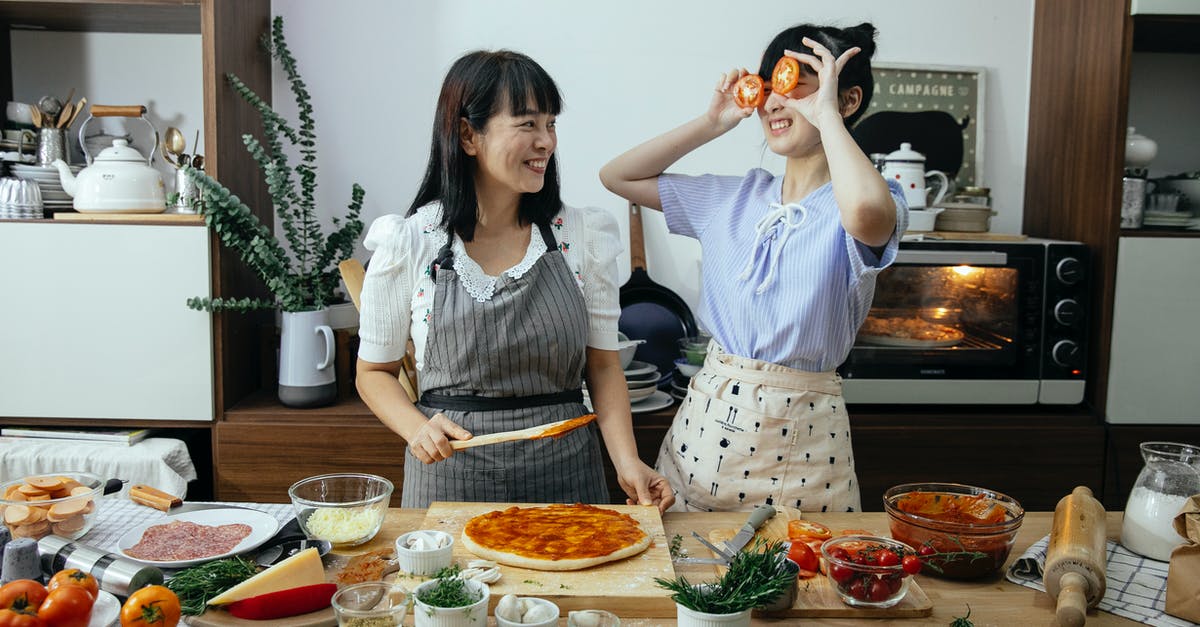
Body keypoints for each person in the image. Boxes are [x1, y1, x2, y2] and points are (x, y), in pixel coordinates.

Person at [599, 23, 907, 513]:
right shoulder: (732, 197)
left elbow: (867, 217)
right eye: (769, 85)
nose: (774, 101)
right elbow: (617, 175)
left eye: (796, 83)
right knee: (686, 577)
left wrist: (826, 116)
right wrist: (713, 122)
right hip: (703, 437)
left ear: (847, 100)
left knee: (805, 583)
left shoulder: (870, 200)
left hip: (808, 448)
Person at [356, 49, 673, 512]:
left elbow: (603, 366)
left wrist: (628, 463)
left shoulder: (583, 236)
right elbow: (373, 374)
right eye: (527, 124)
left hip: (565, 477)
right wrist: (415, 427)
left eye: (551, 124)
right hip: (450, 480)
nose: (546, 141)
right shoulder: (410, 242)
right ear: (468, 135)